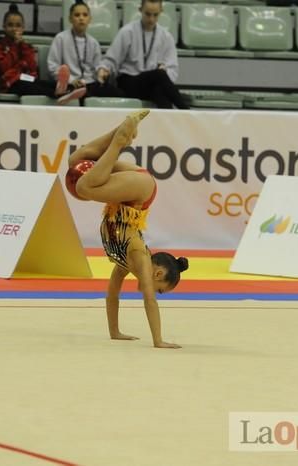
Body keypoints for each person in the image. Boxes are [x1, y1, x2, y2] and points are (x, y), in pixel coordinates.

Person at [65, 110, 187, 348]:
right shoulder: (139, 255)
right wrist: (158, 340)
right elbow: (149, 300)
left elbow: (112, 294)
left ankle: (123, 131)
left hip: (131, 191)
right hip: (140, 192)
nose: (155, 292)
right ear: (158, 274)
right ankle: (120, 141)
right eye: (161, 289)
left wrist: (115, 332)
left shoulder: (124, 262)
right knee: (83, 187)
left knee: (76, 164)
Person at [96, 0, 188, 109]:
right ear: (140, 10)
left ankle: (168, 123)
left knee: (160, 91)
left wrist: (165, 70)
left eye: (155, 15)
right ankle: (186, 111)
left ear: (161, 12)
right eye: (148, 14)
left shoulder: (166, 37)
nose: (151, 19)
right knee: (160, 75)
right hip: (128, 82)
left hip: (151, 84)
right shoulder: (127, 32)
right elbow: (111, 59)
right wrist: (103, 69)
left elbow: (173, 69)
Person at [0, 3, 85, 104]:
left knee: (46, 84)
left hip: (28, 79)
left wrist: (22, 46)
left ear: (23, 28)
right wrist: (14, 47)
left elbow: (32, 67)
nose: (14, 29)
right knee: (27, 86)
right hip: (11, 84)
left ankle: (67, 90)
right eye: (10, 25)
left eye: (18, 26)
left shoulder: (26, 46)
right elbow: (4, 67)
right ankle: (60, 94)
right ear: (4, 27)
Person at [48, 0, 124, 100]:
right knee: (82, 94)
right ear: (70, 19)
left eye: (85, 15)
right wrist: (72, 80)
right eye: (77, 15)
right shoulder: (60, 39)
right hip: (71, 84)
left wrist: (101, 74)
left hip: (90, 84)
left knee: (119, 94)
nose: (81, 18)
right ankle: (70, 93)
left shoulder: (93, 42)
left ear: (90, 19)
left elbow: (97, 67)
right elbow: (53, 66)